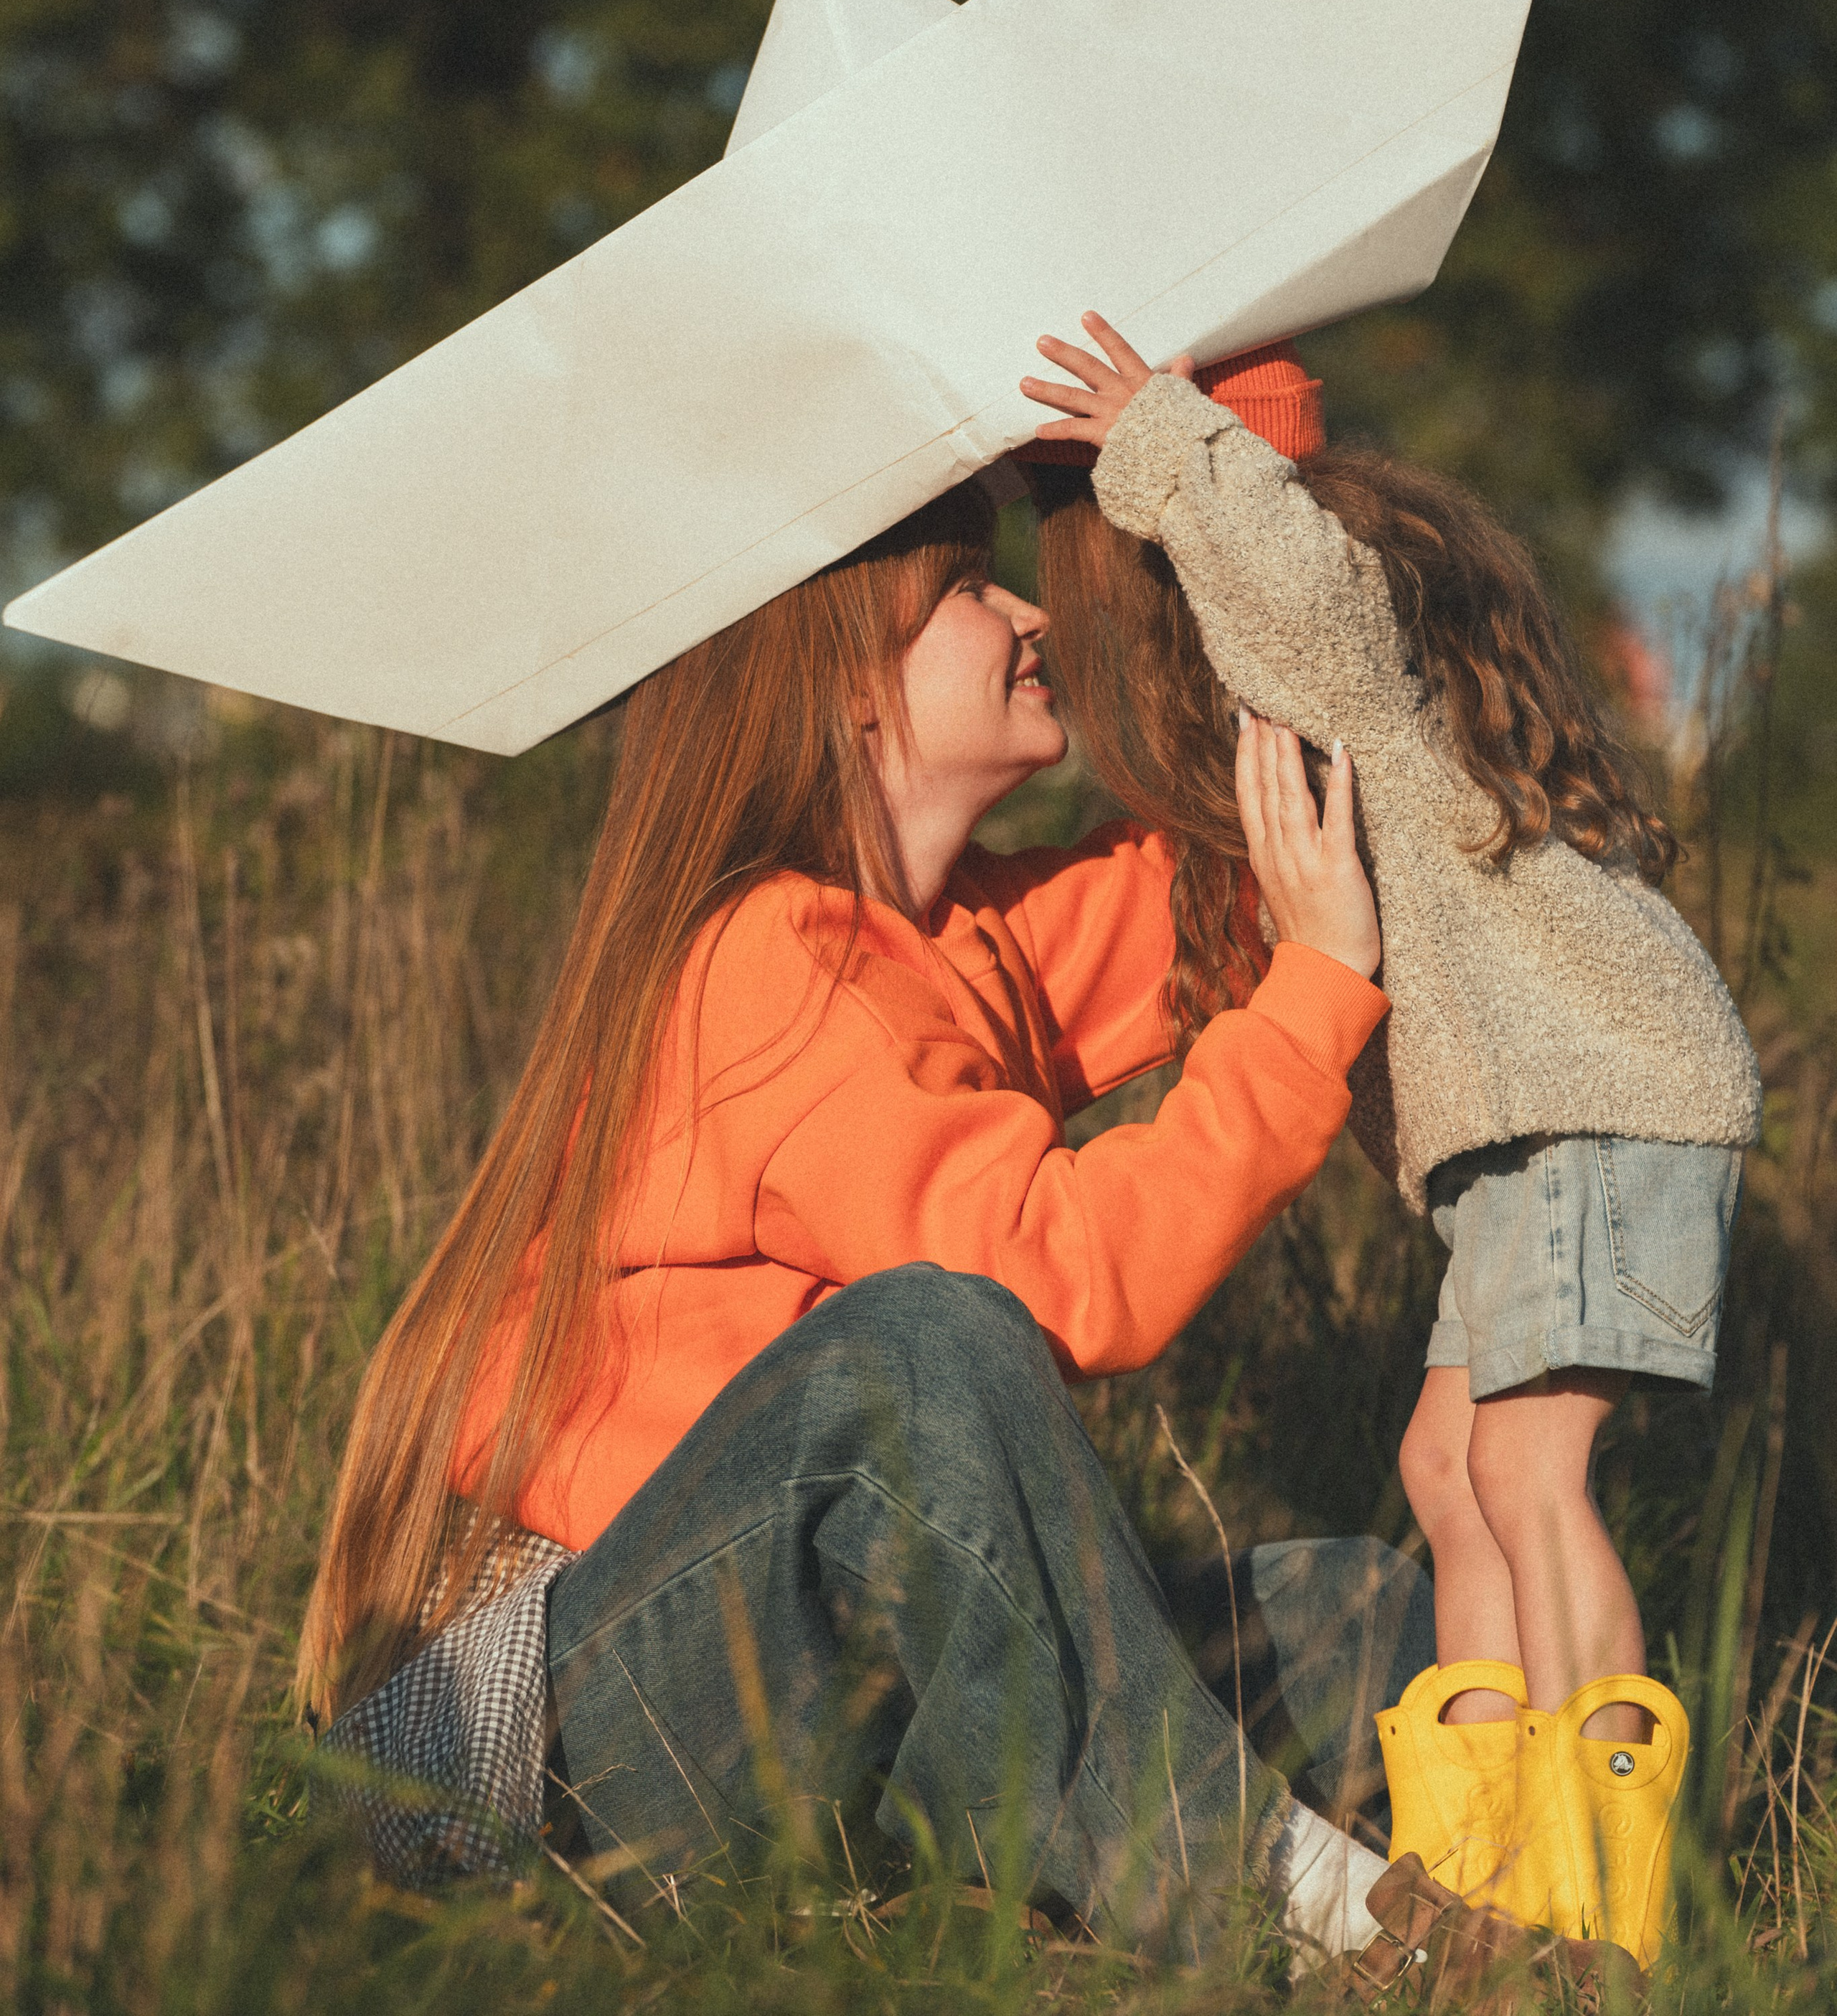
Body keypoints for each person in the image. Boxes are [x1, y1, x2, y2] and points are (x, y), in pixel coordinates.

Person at [299, 456, 1437, 1968]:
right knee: (923, 1340)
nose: (1027, 608)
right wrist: (1312, 995)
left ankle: (1522, 1873)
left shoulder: (955, 934)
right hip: (557, 1747)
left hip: (811, 1670)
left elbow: (1239, 872)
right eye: (969, 587)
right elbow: (1065, 1277)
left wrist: (1221, 475)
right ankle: (1308, 1917)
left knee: (1359, 1612)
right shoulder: (764, 961)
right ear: (847, 682)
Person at [1021, 312, 1762, 1962]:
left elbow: (1286, 587)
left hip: (1595, 1095)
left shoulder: (1339, 667)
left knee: (1521, 1468)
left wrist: (1153, 442)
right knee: (1447, 1468)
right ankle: (1490, 1884)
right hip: (1532, 1125)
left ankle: (1599, 1915)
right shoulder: (1344, 742)